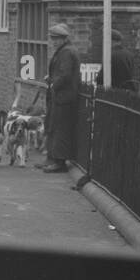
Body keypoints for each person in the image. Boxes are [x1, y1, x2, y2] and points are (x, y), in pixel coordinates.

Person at [42, 22, 80, 172]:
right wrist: (50, 78)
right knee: (54, 127)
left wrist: (53, 85)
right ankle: (52, 159)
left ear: (64, 39)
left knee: (60, 129)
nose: (54, 41)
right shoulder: (64, 50)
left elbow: (65, 74)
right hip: (60, 96)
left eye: (56, 39)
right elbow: (60, 72)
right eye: (53, 38)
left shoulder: (66, 52)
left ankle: (60, 162)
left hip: (64, 97)